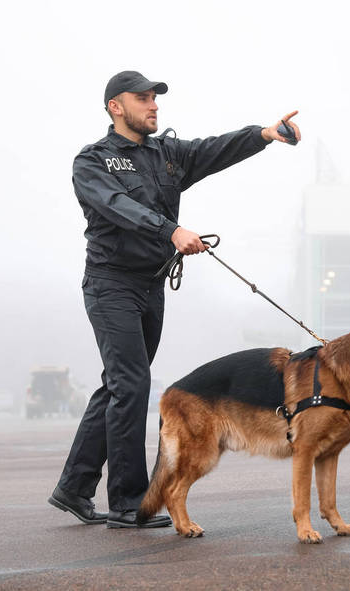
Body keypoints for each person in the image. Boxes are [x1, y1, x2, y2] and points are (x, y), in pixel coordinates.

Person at [48, 70, 301, 528]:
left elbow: (213, 150)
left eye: (154, 99)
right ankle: (129, 502)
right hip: (110, 284)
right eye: (142, 98)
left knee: (119, 384)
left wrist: (265, 134)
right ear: (115, 107)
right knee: (131, 385)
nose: (153, 106)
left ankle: (73, 487)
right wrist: (171, 230)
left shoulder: (167, 154)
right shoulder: (93, 162)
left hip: (151, 283)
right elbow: (118, 206)